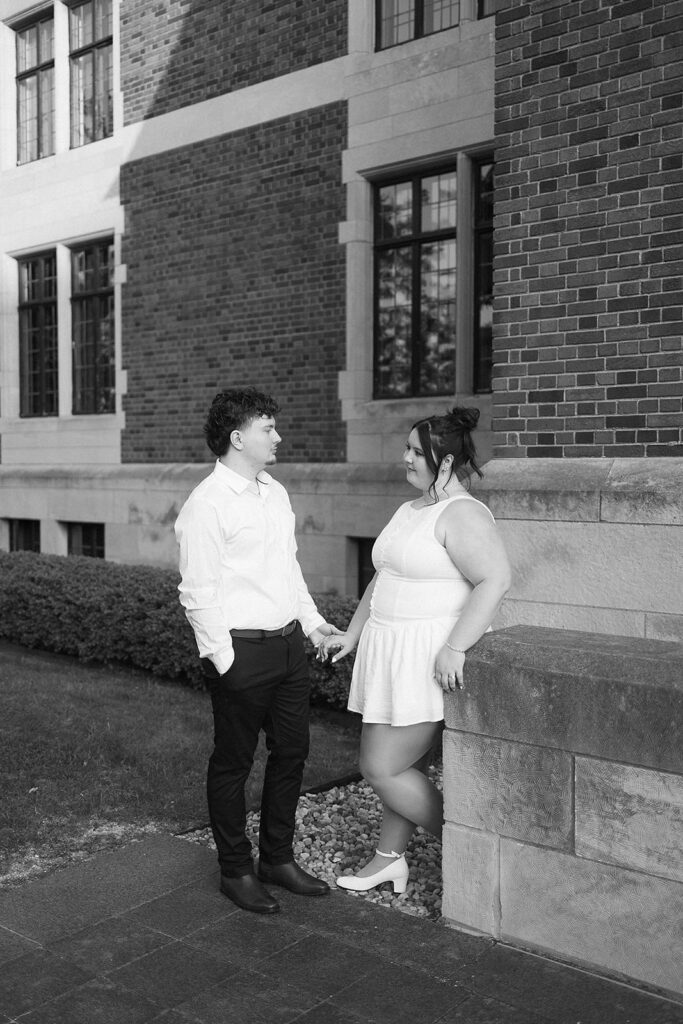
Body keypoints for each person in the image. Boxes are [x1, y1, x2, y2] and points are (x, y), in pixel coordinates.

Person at [318, 407, 511, 894]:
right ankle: (389, 859)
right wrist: (354, 633)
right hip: (387, 652)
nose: (404, 457)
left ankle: (470, 844)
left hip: (425, 657)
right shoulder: (411, 509)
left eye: (414, 451)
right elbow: (383, 577)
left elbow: (495, 579)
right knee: (402, 765)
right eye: (406, 448)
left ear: (444, 462)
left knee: (380, 767)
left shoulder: (462, 513)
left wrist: (455, 647)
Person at [175, 387, 339, 914]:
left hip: (289, 647)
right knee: (233, 763)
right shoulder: (207, 504)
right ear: (237, 437)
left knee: (292, 751)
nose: (278, 437)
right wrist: (225, 663)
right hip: (240, 653)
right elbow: (197, 592)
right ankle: (235, 870)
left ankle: (277, 858)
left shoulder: (276, 493)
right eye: (268, 428)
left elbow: (287, 569)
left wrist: (312, 626)